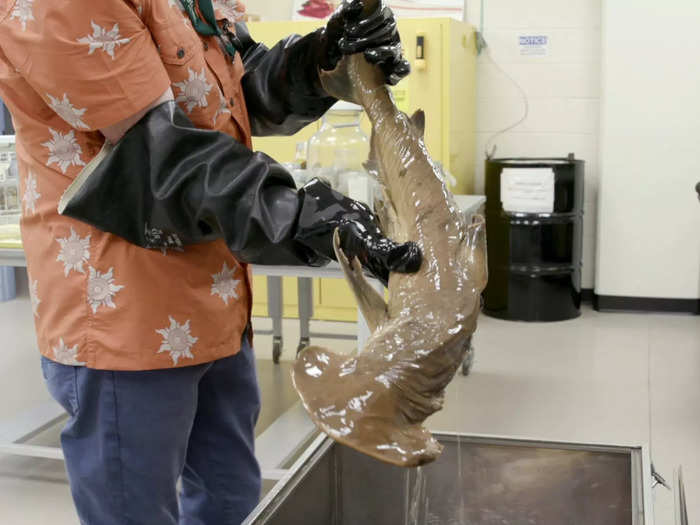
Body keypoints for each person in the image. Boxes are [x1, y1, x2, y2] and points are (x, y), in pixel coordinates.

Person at [0, 0, 421, 523]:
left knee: (229, 499)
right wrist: (299, 215)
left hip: (216, 302)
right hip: (128, 321)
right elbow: (153, 153)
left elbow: (226, 97)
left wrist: (320, 61)